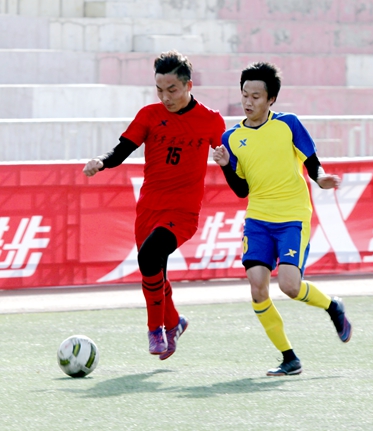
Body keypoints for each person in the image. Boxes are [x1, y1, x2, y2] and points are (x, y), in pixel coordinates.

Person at [83, 50, 226, 360]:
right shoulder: (149, 115)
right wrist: (101, 161)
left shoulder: (211, 120)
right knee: (154, 269)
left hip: (183, 211)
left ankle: (155, 329)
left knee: (149, 256)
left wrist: (232, 164)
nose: (165, 97)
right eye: (159, 90)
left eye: (172, 89)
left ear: (189, 85)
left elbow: (230, 159)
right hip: (148, 208)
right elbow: (122, 150)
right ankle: (175, 323)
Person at [213, 62, 352, 376]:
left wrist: (320, 178)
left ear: (271, 99)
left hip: (292, 217)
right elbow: (242, 189)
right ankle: (289, 358)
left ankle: (332, 306)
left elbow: (312, 162)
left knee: (290, 286)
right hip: (258, 219)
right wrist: (224, 165)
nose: (248, 102)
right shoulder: (231, 137)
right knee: (257, 288)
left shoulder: (288, 124)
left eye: (256, 96)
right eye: (244, 95)